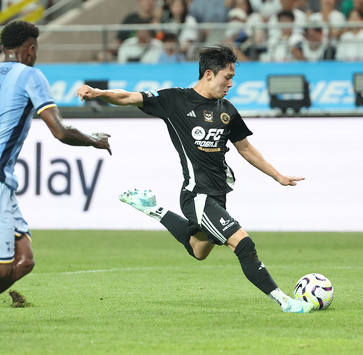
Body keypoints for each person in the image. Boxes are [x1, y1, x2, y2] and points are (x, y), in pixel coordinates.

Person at [76, 44, 314, 314]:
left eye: (233, 78)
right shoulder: (175, 100)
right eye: (228, 77)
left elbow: (245, 148)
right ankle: (286, 302)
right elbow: (128, 97)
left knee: (198, 249)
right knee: (243, 243)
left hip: (217, 195)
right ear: (209, 75)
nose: (231, 84)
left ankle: (152, 208)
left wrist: (278, 176)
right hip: (196, 195)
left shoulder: (227, 110)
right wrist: (98, 93)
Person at [0, 20, 111, 337]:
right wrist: (93, 140)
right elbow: (60, 131)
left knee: (23, 260)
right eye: (36, 50)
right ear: (30, 50)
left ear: (4, 48)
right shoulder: (31, 75)